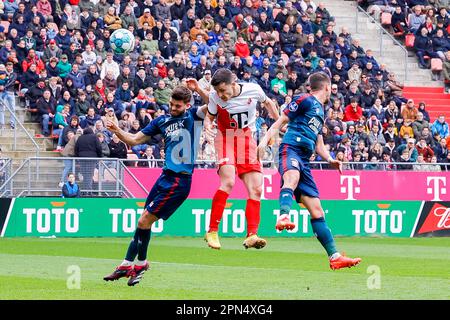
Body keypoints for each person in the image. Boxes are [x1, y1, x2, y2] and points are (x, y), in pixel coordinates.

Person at [257, 72, 362, 270]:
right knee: (291, 177)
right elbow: (280, 121)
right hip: (291, 149)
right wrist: (264, 141)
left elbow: (318, 142)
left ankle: (334, 256)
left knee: (317, 210)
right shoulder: (304, 99)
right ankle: (283, 215)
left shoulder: (320, 110)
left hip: (305, 159)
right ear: (328, 87)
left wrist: (331, 159)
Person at [103, 86, 206, 286]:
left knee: (143, 222)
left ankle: (140, 265)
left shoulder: (194, 116)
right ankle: (126, 265)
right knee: (143, 223)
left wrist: (199, 89)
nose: (173, 108)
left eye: (178, 106)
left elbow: (213, 104)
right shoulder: (161, 121)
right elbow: (133, 140)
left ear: (187, 105)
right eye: (171, 104)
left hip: (179, 181)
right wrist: (117, 130)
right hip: (164, 177)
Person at [187, 68, 279, 250]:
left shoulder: (254, 90)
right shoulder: (214, 97)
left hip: (247, 138)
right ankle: (212, 231)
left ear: (233, 83)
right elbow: (209, 117)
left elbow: (268, 103)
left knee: (256, 189)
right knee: (228, 182)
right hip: (225, 137)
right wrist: (207, 127)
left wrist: (277, 124)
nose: (221, 95)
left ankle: (252, 234)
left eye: (223, 90)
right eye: (218, 92)